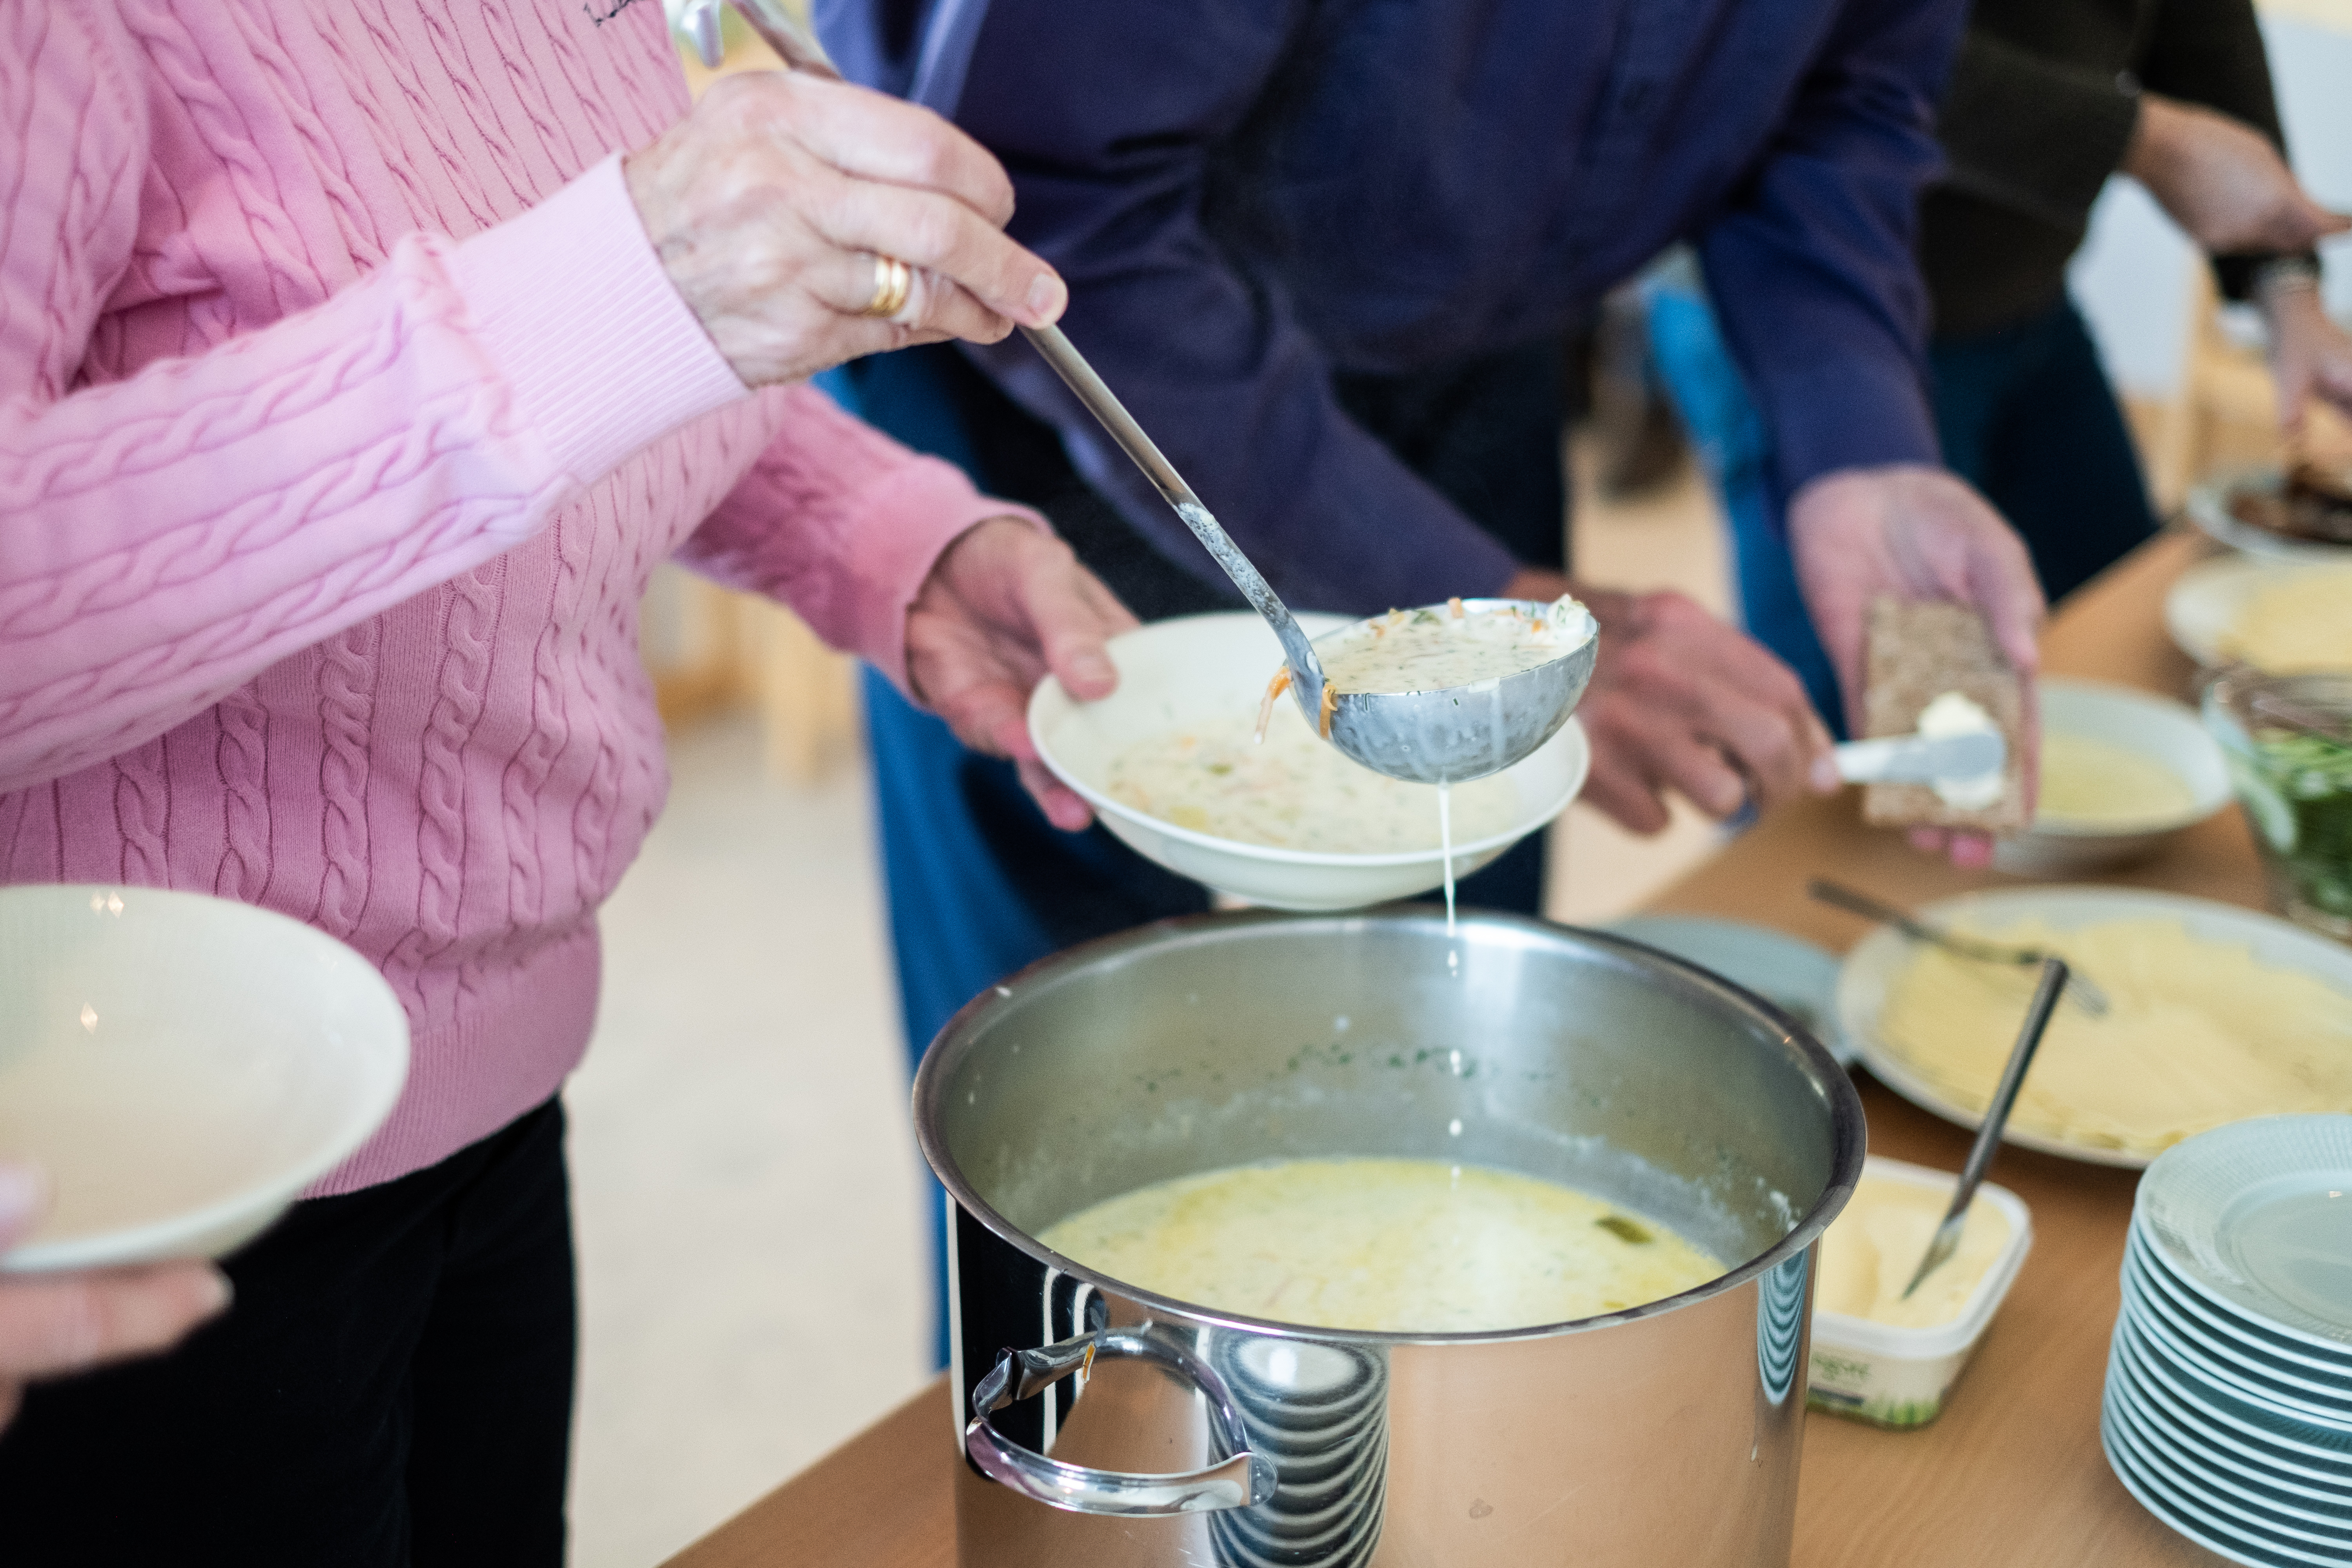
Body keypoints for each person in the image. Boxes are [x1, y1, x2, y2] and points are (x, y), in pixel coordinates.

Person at [0, 6, 1126, 1563]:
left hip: (499, 1065)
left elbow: (612, 342)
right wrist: (622, 284)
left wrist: (883, 534)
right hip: (146, 1158)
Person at [1653, 0, 2352, 731]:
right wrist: (2146, 143)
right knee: (1887, 738)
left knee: (2115, 656)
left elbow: (2199, 20)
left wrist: (2283, 277)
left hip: (2024, 298)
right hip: (1820, 326)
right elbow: (1828, 49)